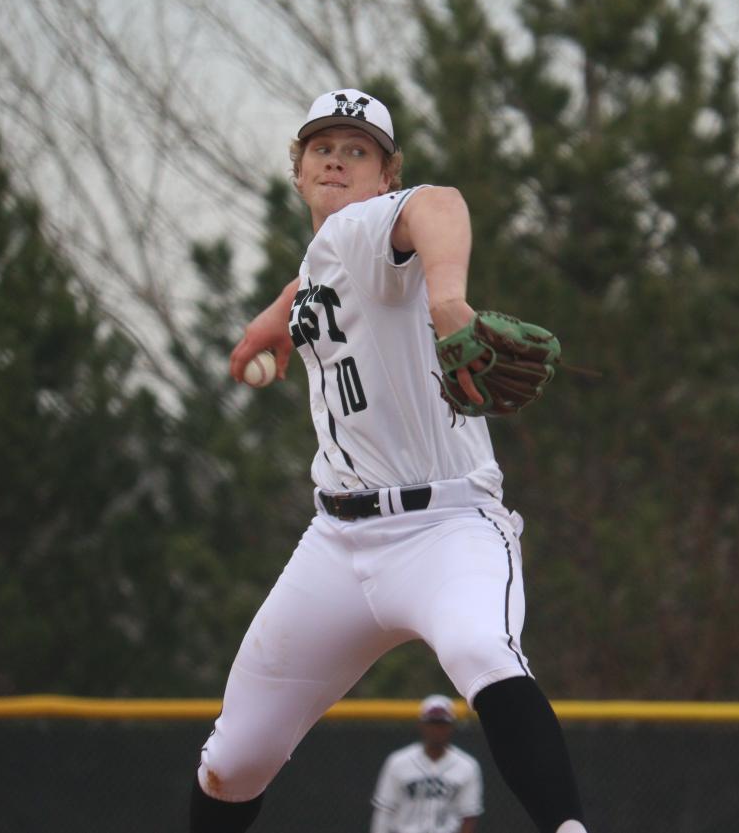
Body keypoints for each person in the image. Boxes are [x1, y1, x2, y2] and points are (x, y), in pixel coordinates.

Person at [188, 88, 589, 833]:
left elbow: (438, 204)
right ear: (299, 171)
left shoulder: (380, 223)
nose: (336, 157)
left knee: (481, 648)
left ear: (384, 175)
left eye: (358, 149)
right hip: (338, 543)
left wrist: (448, 303)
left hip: (446, 527)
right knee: (234, 756)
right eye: (321, 147)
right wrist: (276, 318)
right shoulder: (328, 257)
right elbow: (319, 276)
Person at [369, 695, 483, 833]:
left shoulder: (467, 766)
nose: (436, 729)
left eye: (442, 723)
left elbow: (469, 815)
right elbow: (385, 809)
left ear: (451, 726)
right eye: (432, 723)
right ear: (421, 725)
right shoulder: (398, 762)